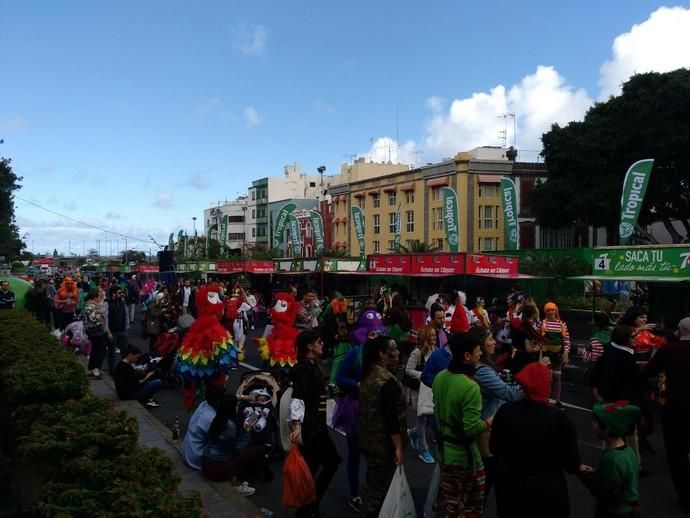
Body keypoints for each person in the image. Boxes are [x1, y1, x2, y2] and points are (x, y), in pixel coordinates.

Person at [490, 362, 582, 518]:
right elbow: (572, 462)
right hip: (548, 489)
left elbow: (495, 447)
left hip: (511, 485)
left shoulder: (506, 412)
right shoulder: (559, 419)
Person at [432, 331, 490, 517]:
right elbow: (471, 428)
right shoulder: (470, 386)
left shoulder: (440, 377)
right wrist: (490, 422)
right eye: (477, 350)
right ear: (467, 356)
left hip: (444, 453)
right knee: (470, 509)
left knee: (452, 505)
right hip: (465, 458)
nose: (480, 353)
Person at [288, 330, 342, 518]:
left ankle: (308, 507)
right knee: (331, 462)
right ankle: (309, 506)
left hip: (315, 424)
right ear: (310, 346)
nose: (322, 344)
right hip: (312, 426)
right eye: (319, 342)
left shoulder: (312, 365)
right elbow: (298, 396)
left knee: (313, 465)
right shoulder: (305, 367)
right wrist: (297, 424)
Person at [472, 326, 526, 496]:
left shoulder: (481, 367)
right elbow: (510, 394)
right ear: (479, 345)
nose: (494, 342)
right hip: (486, 429)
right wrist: (531, 380)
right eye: (490, 339)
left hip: (485, 426)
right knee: (486, 479)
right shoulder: (483, 371)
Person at [644, 317, 690, 512]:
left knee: (676, 451)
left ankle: (685, 495)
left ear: (679, 331)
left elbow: (649, 370)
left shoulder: (669, 350)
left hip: (676, 406)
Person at [358, 335, 406, 518]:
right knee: (379, 494)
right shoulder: (387, 382)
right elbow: (391, 419)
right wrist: (398, 447)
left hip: (368, 440)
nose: (398, 353)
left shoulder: (369, 373)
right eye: (393, 350)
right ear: (382, 354)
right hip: (382, 445)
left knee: (373, 485)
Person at [578, 401, 641, 517]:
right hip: (630, 509)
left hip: (615, 512)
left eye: (595, 422)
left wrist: (583, 475)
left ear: (606, 428)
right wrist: (596, 473)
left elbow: (603, 491)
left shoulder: (611, 459)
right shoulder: (629, 451)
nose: (592, 424)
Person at [201, 394, 265, 496]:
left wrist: (245, 397)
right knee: (258, 449)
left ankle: (235, 477)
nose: (237, 408)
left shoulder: (217, 419)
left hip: (206, 463)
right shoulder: (230, 426)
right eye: (236, 405)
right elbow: (238, 448)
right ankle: (237, 481)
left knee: (251, 445)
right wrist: (247, 431)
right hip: (218, 469)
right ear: (231, 408)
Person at [405, 324, 437, 464]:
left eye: (434, 335)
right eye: (431, 335)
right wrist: (423, 375)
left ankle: (413, 433)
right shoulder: (417, 353)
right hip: (418, 389)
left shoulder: (435, 350)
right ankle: (424, 450)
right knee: (422, 418)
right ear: (425, 337)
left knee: (430, 417)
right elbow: (408, 370)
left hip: (429, 389)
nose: (434, 337)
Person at [182, 386, 226, 470]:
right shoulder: (210, 418)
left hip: (188, 451)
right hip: (196, 458)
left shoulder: (204, 404)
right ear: (218, 401)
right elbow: (221, 440)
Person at [540, 302, 571, 407]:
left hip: (558, 354)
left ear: (556, 310)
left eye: (552, 310)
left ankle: (557, 401)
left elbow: (566, 340)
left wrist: (566, 352)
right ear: (545, 312)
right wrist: (540, 347)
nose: (550, 312)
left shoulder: (562, 324)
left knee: (558, 377)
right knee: (548, 378)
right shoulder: (542, 323)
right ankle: (546, 399)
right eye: (548, 310)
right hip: (546, 354)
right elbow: (536, 337)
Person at [104, 285, 129, 374]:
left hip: (122, 331)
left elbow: (126, 315)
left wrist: (126, 327)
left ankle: (123, 369)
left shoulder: (122, 302)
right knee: (112, 353)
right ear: (113, 294)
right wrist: (108, 332)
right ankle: (112, 371)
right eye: (119, 293)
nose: (121, 294)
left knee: (125, 351)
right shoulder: (107, 303)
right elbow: (105, 318)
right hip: (112, 332)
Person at [83, 288, 107, 379]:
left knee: (95, 350)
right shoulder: (90, 306)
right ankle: (96, 369)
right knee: (100, 350)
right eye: (99, 296)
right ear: (95, 297)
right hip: (95, 330)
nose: (100, 298)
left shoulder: (90, 305)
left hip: (93, 331)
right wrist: (101, 310)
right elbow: (94, 319)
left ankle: (91, 368)